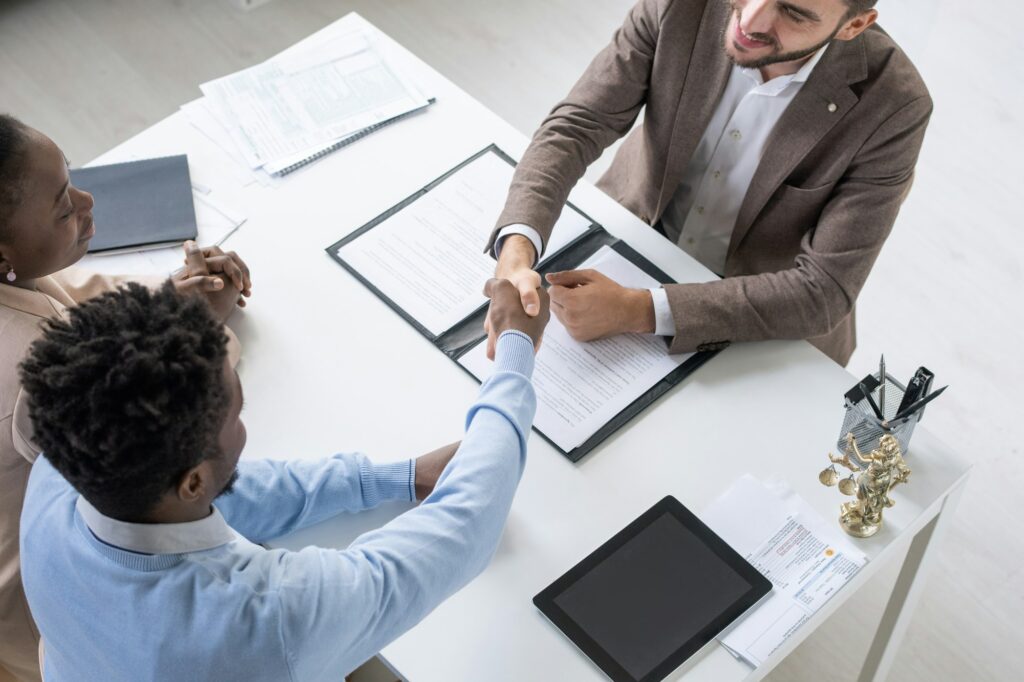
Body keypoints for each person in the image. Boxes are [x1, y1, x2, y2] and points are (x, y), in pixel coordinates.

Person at [18, 277, 550, 681]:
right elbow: (467, 527)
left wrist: (393, 478)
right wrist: (515, 352)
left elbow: (226, 493)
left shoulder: (59, 471)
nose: (244, 428)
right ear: (192, 482)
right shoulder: (268, 619)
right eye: (236, 415)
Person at [487, 0, 931, 365]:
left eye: (793, 12)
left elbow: (823, 290)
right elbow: (579, 124)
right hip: (631, 239)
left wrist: (639, 310)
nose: (750, 21)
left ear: (854, 25)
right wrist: (518, 247)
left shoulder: (895, 106)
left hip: (760, 325)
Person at [0, 113, 252, 682]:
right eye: (64, 207)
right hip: (57, 605)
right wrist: (193, 325)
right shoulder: (30, 372)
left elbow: (75, 303)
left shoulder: (14, 280)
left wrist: (165, 300)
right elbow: (176, 419)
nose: (89, 202)